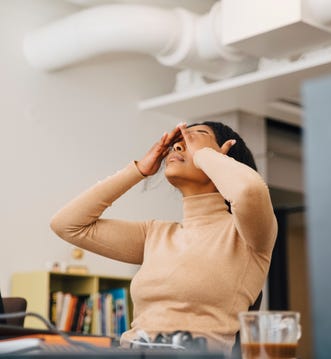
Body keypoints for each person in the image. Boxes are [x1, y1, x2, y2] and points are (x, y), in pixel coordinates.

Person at [50, 121, 277, 355]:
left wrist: (205, 157)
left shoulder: (247, 234)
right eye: (177, 142)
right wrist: (138, 170)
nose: (178, 146)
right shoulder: (155, 234)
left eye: (194, 137)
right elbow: (67, 225)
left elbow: (249, 191)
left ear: (224, 156)